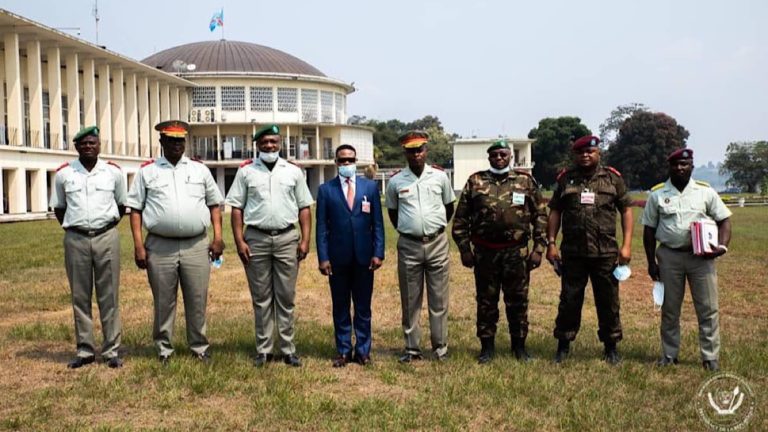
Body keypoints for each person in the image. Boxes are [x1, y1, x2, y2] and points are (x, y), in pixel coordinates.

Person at [127, 120, 224, 364]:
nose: (176, 145)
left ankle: (199, 347)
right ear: (162, 142)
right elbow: (135, 210)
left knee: (197, 298)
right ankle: (164, 349)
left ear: (185, 142)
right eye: (171, 140)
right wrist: (138, 245)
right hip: (160, 246)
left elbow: (214, 204)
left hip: (196, 245)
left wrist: (218, 237)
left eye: (180, 140)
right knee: (163, 300)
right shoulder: (147, 172)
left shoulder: (199, 170)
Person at [452, 140, 547, 364]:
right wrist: (465, 250)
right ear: (489, 158)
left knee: (518, 301)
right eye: (494, 155)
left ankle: (519, 347)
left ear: (510, 156)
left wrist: (539, 248)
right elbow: (461, 220)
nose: (499, 158)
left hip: (516, 253)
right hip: (485, 254)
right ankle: (487, 348)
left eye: (503, 154)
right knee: (486, 302)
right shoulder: (475, 181)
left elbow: (540, 216)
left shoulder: (525, 181)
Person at [226, 124, 313, 368]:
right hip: (256, 239)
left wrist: (305, 240)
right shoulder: (246, 172)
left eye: (273, 141)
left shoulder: (293, 171)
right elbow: (236, 208)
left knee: (286, 296)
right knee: (261, 297)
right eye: (264, 142)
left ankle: (287, 349)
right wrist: (239, 241)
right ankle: (264, 350)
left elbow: (304, 207)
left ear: (280, 143)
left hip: (287, 239)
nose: (269, 146)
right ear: (257, 145)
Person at [641, 148, 732, 371]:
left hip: (701, 258)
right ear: (669, 167)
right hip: (669, 257)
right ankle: (669, 354)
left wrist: (721, 246)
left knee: (708, 308)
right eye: (675, 164)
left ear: (692, 166)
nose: (680, 168)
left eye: (685, 164)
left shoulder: (705, 192)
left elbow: (724, 220)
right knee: (670, 309)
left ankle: (710, 357)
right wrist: (651, 262)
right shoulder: (657, 195)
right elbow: (649, 230)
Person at [545, 135, 633, 364]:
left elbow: (626, 210)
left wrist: (626, 246)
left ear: (598, 153)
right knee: (569, 300)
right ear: (575, 155)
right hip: (573, 252)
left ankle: (611, 347)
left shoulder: (612, 178)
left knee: (608, 301)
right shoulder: (566, 179)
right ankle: (563, 345)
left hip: (605, 252)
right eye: (580, 152)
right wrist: (551, 243)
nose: (585, 155)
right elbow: (555, 211)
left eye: (590, 151)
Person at [50, 125, 127, 369]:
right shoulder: (64, 174)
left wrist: (102, 227)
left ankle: (111, 350)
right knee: (80, 296)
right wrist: (79, 228)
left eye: (92, 143)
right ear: (76, 147)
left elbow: (121, 206)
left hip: (106, 237)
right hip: (76, 239)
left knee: (109, 295)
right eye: (83, 144)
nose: (88, 147)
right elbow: (59, 208)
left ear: (99, 145)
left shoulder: (113, 172)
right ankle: (85, 350)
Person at [385, 130, 456, 362]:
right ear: (405, 153)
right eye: (411, 151)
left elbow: (449, 208)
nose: (416, 154)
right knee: (410, 299)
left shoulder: (440, 177)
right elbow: (393, 213)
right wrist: (411, 228)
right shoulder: (396, 181)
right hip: (409, 245)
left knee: (439, 299)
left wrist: (433, 228)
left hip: (437, 243)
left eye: (420, 150)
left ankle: (440, 348)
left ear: (426, 151)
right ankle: (412, 349)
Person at [316, 144, 385, 367]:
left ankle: (363, 351)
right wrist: (323, 257)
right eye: (342, 160)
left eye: (350, 160)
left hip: (365, 258)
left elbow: (378, 223)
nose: (347, 163)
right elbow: (321, 227)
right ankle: (344, 350)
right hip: (337, 258)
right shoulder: (326, 190)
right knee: (341, 306)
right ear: (336, 163)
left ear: (356, 162)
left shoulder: (369, 188)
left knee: (363, 307)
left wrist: (378, 252)